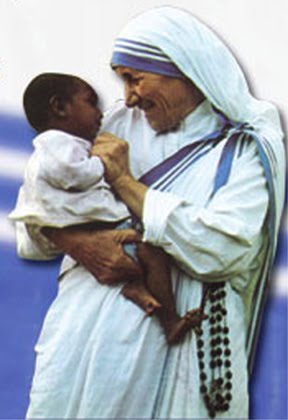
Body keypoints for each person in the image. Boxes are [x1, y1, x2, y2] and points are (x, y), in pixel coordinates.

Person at [16, 6, 285, 419]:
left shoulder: (243, 151)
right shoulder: (110, 127)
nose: (127, 97)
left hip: (185, 358)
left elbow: (225, 249)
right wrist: (81, 244)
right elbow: (33, 225)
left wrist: (126, 184)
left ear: (184, 70)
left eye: (134, 78)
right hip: (83, 350)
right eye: (122, 80)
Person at [10, 72, 204, 345]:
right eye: (91, 103)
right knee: (151, 253)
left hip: (107, 234)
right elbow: (48, 197)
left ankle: (141, 293)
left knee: (146, 256)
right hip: (99, 244)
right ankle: (168, 317)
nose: (126, 99)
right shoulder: (60, 143)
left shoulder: (76, 141)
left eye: (136, 79)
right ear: (60, 107)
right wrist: (106, 166)